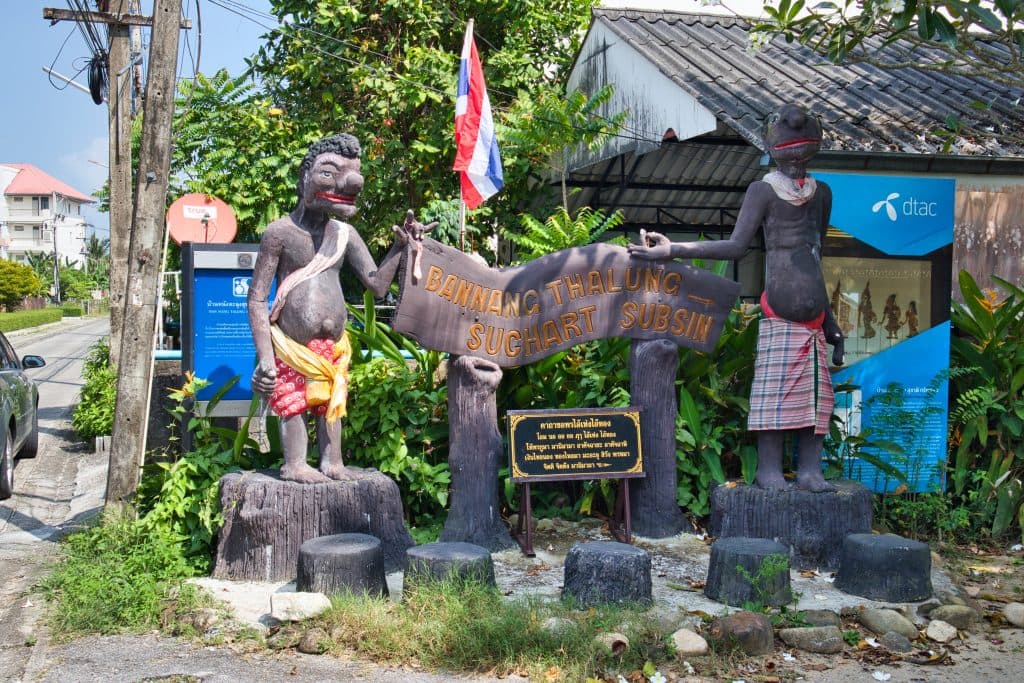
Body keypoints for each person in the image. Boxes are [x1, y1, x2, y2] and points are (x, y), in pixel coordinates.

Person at [629, 104, 844, 492]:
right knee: (774, 398)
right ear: (769, 143)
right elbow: (735, 246)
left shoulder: (822, 193)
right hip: (779, 314)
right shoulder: (763, 190)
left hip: (813, 316)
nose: (795, 125)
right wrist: (672, 250)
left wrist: (830, 322)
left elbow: (817, 255)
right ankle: (769, 470)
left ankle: (811, 470)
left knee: (817, 400)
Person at [247, 133, 428, 483]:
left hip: (334, 347)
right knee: (295, 403)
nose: (347, 181)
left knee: (332, 403)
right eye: (328, 173)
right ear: (304, 177)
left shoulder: (345, 235)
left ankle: (333, 461)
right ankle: (295, 464)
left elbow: (376, 285)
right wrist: (266, 357)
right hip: (291, 345)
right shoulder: (279, 233)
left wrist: (400, 248)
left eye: (351, 174)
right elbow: (256, 299)